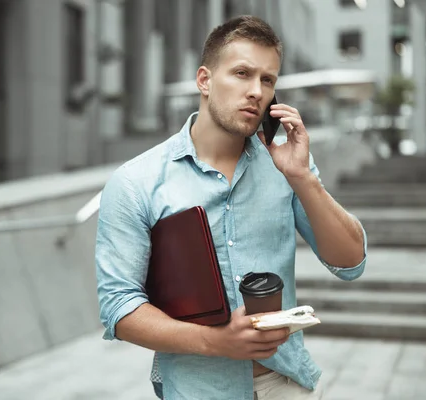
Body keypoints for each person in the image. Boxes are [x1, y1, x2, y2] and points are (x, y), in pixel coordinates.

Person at [95, 15, 367, 400]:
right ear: (204, 80)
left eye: (268, 79)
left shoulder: (287, 166)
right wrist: (216, 342)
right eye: (242, 73)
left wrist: (303, 178)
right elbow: (119, 308)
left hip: (285, 384)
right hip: (197, 389)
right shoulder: (136, 182)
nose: (256, 91)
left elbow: (351, 262)